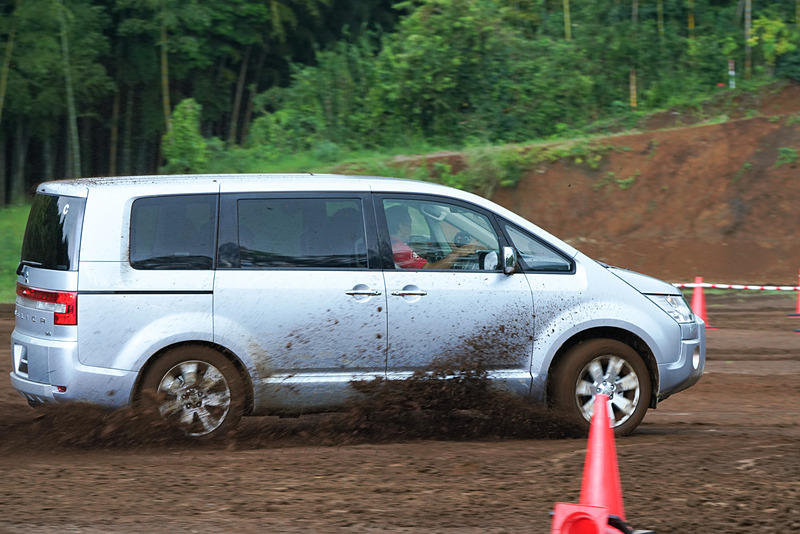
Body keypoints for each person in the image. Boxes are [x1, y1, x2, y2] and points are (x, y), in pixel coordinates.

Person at [385, 205, 477, 269]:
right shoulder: (398, 248)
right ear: (402, 227)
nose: (411, 227)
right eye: (409, 223)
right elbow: (430, 270)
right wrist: (458, 253)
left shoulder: (389, 243)